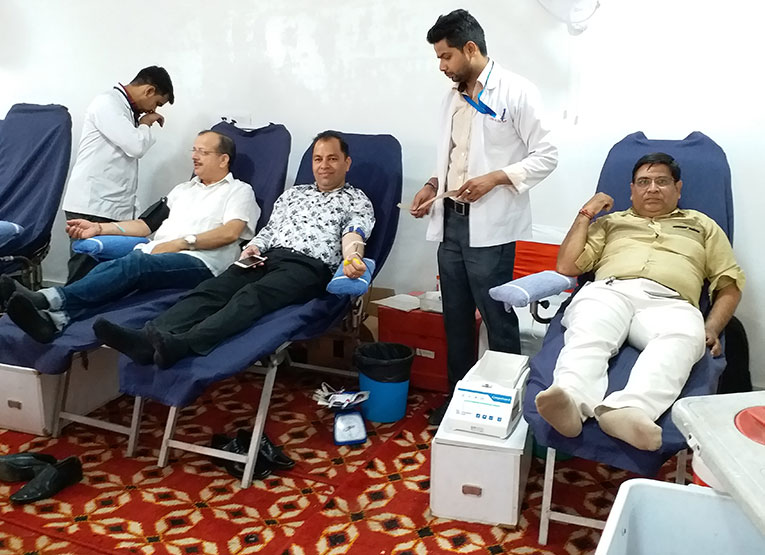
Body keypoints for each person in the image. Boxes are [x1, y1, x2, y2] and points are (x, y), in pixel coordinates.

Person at [94, 130, 375, 369]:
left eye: (332, 158)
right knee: (213, 290)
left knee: (252, 296)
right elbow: (270, 230)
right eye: (318, 159)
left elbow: (355, 234)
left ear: (347, 162)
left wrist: (352, 257)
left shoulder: (355, 199)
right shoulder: (293, 194)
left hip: (307, 266)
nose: (324, 165)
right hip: (266, 257)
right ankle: (147, 338)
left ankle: (184, 344)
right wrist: (253, 247)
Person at [535, 152, 744, 451]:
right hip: (610, 291)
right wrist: (585, 214)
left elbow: (729, 284)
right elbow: (567, 266)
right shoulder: (610, 223)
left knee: (685, 335)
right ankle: (570, 399)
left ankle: (630, 410)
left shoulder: (702, 225)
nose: (652, 188)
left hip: (671, 302)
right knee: (591, 330)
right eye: (643, 182)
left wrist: (711, 327)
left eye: (662, 181)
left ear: (678, 188)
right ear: (632, 190)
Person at [409, 9, 558, 425]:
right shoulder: (453, 98)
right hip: (452, 222)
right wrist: (432, 184)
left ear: (470, 48)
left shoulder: (516, 91)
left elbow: (547, 155)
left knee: (497, 318)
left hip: (491, 228)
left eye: (446, 56)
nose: (442, 66)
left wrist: (496, 178)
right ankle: (457, 398)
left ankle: (506, 404)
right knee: (455, 318)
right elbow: (453, 155)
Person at [2, 130, 259, 343]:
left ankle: (47, 298)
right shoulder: (182, 190)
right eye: (194, 150)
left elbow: (231, 232)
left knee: (135, 263)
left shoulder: (239, 191)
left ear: (223, 159)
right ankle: (56, 320)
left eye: (202, 152)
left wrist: (181, 243)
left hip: (203, 262)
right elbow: (145, 225)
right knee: (109, 271)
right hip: (158, 254)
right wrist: (99, 228)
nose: (194, 156)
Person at [62, 66, 175, 284]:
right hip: (93, 205)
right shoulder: (107, 103)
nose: (154, 110)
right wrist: (145, 125)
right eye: (157, 103)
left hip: (109, 204)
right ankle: (59, 305)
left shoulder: (124, 108)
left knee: (104, 278)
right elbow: (135, 146)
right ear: (149, 91)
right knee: (83, 275)